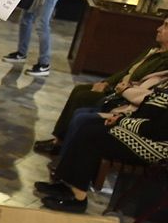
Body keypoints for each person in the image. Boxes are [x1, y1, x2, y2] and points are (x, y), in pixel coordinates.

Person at [34, 18, 168, 156]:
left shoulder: (164, 61)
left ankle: (64, 145)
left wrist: (111, 88)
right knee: (79, 89)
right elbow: (127, 71)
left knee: (83, 98)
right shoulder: (153, 50)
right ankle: (60, 139)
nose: (159, 28)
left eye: (165, 26)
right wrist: (107, 82)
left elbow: (137, 83)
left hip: (124, 97)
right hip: (118, 88)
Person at [38, 82, 168, 213]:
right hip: (145, 132)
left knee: (93, 135)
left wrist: (122, 122)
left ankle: (78, 199)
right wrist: (122, 117)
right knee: (88, 125)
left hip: (158, 146)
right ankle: (66, 185)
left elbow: (158, 130)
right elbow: (146, 112)